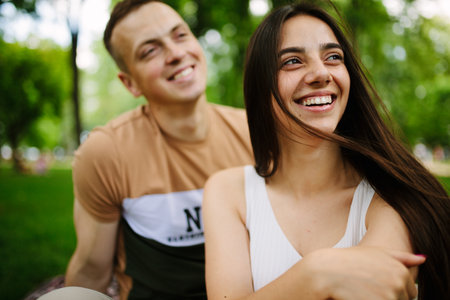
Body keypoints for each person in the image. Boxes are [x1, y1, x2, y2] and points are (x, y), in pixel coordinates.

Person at [203, 2, 450, 300]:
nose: (321, 73)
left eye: (333, 57)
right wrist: (316, 272)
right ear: (261, 87)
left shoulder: (391, 195)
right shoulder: (228, 192)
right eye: (292, 61)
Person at [64, 1, 253, 299]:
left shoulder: (256, 133)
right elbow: (90, 272)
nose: (177, 54)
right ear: (130, 83)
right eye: (150, 50)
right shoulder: (106, 153)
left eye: (180, 36)